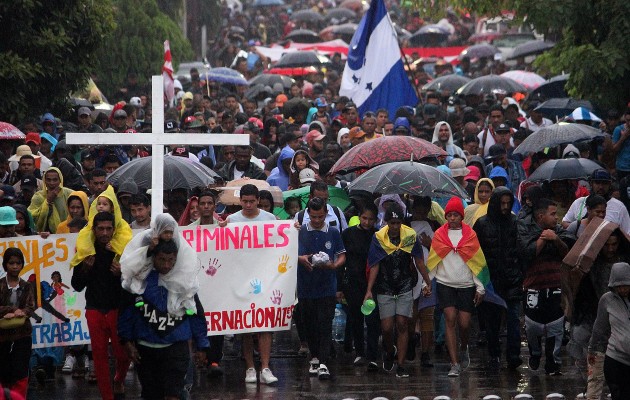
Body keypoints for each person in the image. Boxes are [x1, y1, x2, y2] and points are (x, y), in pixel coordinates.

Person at [118, 239, 209, 400]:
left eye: (171, 260)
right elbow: (127, 311)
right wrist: (126, 340)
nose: (166, 265)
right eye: (162, 260)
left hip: (176, 348)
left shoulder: (185, 282)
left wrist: (202, 345)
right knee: (151, 394)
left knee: (173, 394)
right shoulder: (140, 281)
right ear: (153, 258)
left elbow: (195, 313)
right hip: (145, 349)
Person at [427, 197, 493, 378]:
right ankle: (454, 362)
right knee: (449, 318)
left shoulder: (470, 235)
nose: (452, 218)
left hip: (466, 284)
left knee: (464, 323)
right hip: (445, 283)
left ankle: (464, 347)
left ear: (461, 216)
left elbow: (477, 263)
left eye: (456, 215)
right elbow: (434, 260)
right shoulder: (439, 235)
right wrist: (427, 283)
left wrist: (480, 287)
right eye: (449, 215)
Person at [365, 203, 431, 378]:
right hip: (385, 286)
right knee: (386, 328)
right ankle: (389, 350)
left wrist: (427, 281)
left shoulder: (410, 236)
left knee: (402, 323)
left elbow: (419, 261)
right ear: (386, 222)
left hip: (404, 284)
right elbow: (374, 265)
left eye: (398, 223)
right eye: (392, 222)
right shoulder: (379, 237)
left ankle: (400, 365)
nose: (395, 227)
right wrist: (369, 290)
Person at [71, 212, 131, 400]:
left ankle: (119, 378)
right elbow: (77, 285)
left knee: (122, 354)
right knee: (99, 357)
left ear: (114, 230)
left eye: (108, 229)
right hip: (95, 308)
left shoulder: (121, 249)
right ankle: (107, 396)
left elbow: (133, 283)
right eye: (100, 229)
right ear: (94, 230)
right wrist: (86, 269)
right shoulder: (86, 250)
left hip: (116, 308)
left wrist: (121, 273)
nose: (104, 233)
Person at [223, 184, 279, 384]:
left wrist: (290, 229)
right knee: (246, 324)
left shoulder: (270, 219)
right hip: (241, 278)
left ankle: (265, 367)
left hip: (266, 278)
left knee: (265, 324)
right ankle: (249, 367)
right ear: (240, 201)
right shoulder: (232, 220)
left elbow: (282, 239)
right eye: (244, 202)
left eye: (251, 201)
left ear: (258, 200)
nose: (248, 205)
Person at [518, 198, 575, 376]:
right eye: (552, 214)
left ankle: (553, 361)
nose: (556, 218)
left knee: (555, 326)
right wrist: (543, 238)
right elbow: (527, 254)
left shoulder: (560, 232)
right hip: (533, 287)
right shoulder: (525, 230)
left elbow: (568, 254)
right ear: (541, 216)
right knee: (533, 325)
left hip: (556, 286)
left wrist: (556, 239)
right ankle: (535, 352)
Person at [473, 187, 524, 370]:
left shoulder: (515, 222)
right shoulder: (482, 224)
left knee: (513, 321)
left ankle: (513, 355)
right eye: (501, 203)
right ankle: (494, 354)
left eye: (508, 203)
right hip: (491, 281)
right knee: (492, 323)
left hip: (511, 278)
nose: (505, 207)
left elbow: (521, 250)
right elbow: (474, 253)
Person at [297, 197, 346, 380]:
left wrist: (334, 266)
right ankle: (315, 357)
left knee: (325, 323)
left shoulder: (333, 232)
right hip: (305, 286)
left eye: (320, 217)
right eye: (313, 217)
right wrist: (301, 259)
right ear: (308, 214)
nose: (317, 220)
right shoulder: (300, 231)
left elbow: (342, 255)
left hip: (327, 285)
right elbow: (290, 253)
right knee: (309, 324)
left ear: (325, 214)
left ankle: (324, 362)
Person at [340, 203, 381, 371]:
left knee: (372, 319)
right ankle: (360, 352)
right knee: (356, 317)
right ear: (359, 216)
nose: (367, 222)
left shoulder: (378, 236)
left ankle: (372, 355)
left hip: (372, 282)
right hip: (352, 282)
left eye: (371, 219)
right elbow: (342, 258)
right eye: (364, 218)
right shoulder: (348, 234)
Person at [588, 262, 630, 400]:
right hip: (615, 358)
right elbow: (599, 329)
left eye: (626, 285)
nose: (623, 289)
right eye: (619, 286)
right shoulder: (607, 300)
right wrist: (593, 351)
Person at [0, 247, 35, 399]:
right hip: (2, 335)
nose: (15, 266)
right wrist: (11, 310)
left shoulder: (27, 285)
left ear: (22, 265)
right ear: (5, 265)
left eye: (18, 263)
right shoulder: (0, 285)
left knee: (21, 370)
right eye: (11, 263)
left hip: (22, 334)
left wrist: (24, 312)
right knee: (3, 369)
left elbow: (31, 305)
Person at [28, 167, 73, 233]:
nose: (52, 183)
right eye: (48, 180)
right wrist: (48, 201)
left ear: (60, 180)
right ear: (44, 181)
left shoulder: (69, 194)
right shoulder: (38, 196)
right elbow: (32, 216)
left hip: (67, 234)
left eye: (55, 180)